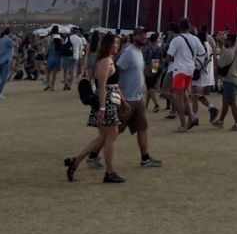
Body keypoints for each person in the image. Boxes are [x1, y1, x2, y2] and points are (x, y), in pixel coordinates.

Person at [64, 33, 126, 183]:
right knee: (111, 136)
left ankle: (75, 161)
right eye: (114, 44)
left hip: (109, 100)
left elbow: (114, 85)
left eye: (118, 44)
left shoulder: (108, 60)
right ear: (107, 46)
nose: (117, 47)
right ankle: (109, 172)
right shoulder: (105, 62)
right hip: (106, 102)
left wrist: (124, 101)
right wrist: (103, 109)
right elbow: (102, 87)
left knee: (104, 138)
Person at [116, 27, 162, 167]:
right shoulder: (129, 52)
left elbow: (139, 71)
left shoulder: (139, 51)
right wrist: (121, 96)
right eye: (140, 35)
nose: (143, 37)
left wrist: (151, 72)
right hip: (127, 99)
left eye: (145, 35)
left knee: (142, 128)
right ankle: (93, 155)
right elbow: (117, 72)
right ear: (134, 36)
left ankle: (145, 158)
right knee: (114, 131)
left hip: (137, 98)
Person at [165, 18, 204, 132]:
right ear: (189, 27)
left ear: (179, 27)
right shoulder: (195, 39)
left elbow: (169, 56)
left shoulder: (176, 40)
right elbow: (202, 53)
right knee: (185, 96)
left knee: (179, 99)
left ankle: (183, 125)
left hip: (179, 70)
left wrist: (164, 60)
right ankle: (191, 117)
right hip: (190, 70)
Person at [212, 33, 237, 130]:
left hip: (229, 79)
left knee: (231, 102)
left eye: (225, 40)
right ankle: (220, 121)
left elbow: (220, 66)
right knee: (225, 102)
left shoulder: (227, 52)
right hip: (236, 78)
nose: (224, 42)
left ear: (229, 41)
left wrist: (215, 59)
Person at [0, 27, 15, 99]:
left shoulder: (0, 40)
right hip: (6, 59)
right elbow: (15, 45)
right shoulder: (8, 40)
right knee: (4, 77)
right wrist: (15, 39)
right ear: (9, 33)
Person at [143, 33, 164, 112]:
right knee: (150, 86)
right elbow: (161, 58)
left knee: (150, 87)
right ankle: (146, 105)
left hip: (149, 66)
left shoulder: (147, 47)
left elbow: (144, 57)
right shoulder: (158, 48)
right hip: (156, 65)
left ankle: (156, 104)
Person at [44, 26, 63, 91]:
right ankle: (52, 87)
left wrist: (45, 55)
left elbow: (47, 48)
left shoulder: (50, 37)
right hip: (57, 57)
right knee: (54, 73)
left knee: (47, 71)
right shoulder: (59, 38)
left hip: (51, 56)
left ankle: (48, 84)